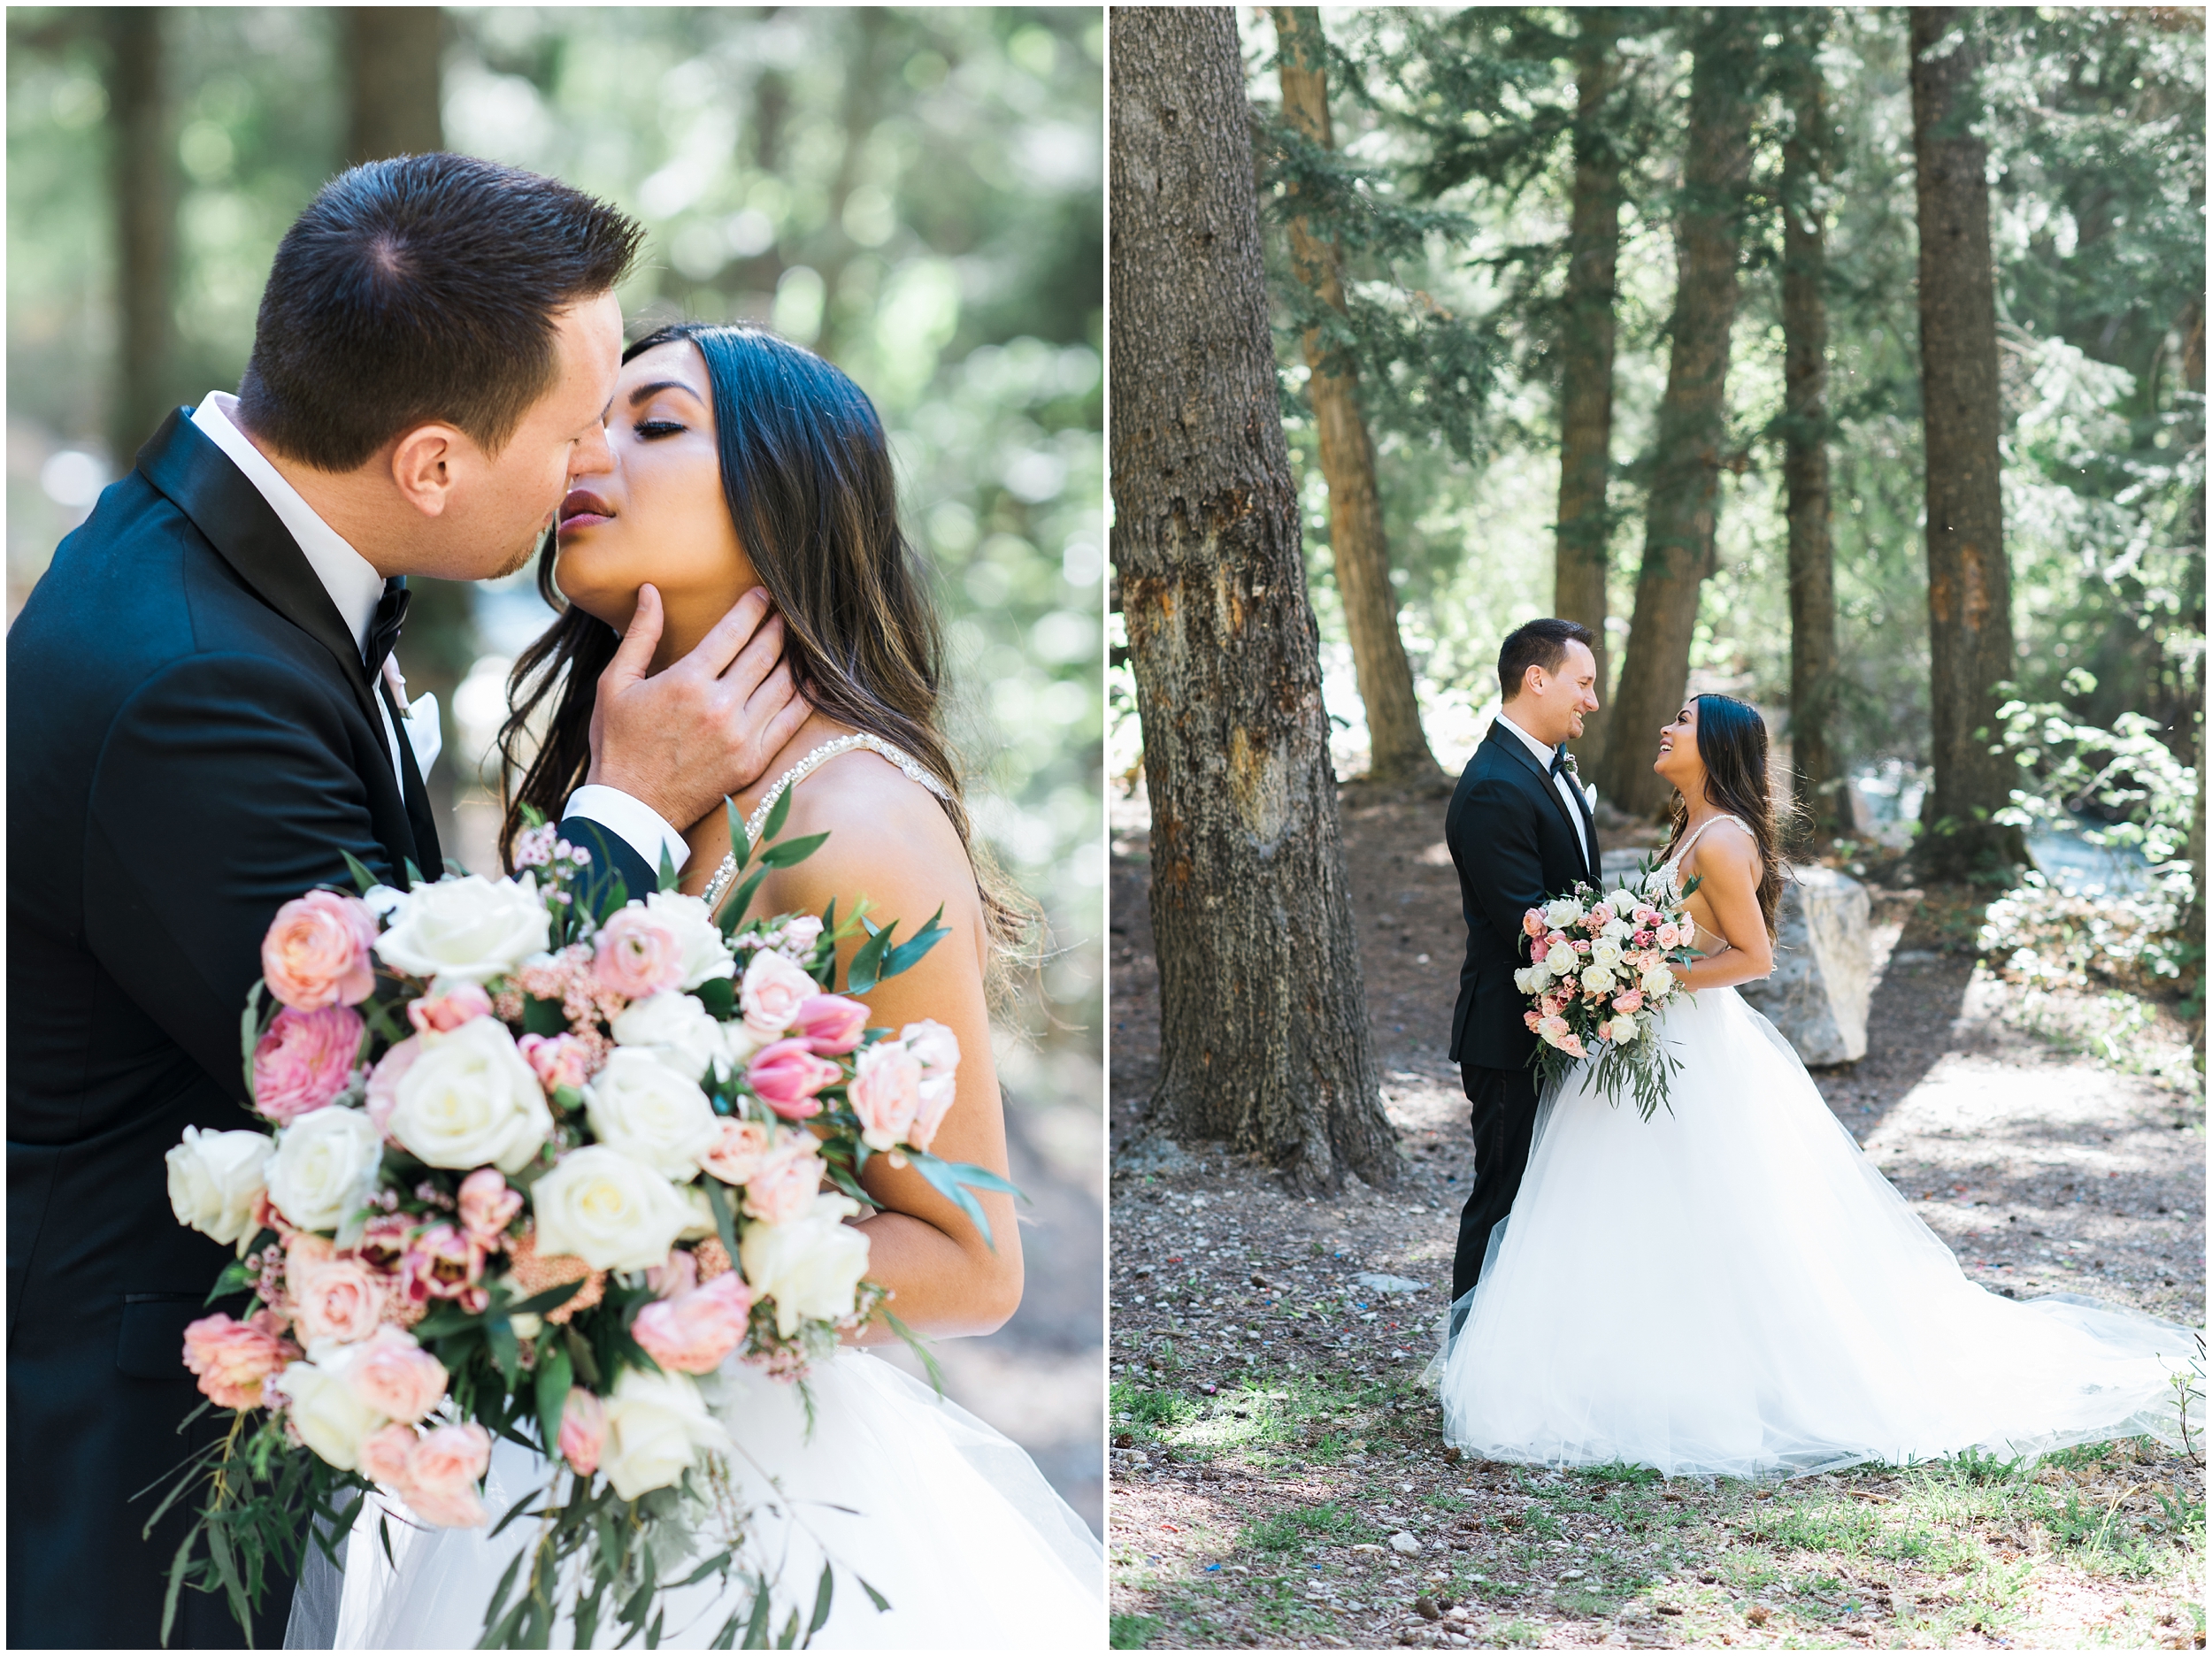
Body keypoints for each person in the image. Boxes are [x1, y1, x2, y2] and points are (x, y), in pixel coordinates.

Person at [6, 155, 810, 1650]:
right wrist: (625, 809)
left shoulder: (242, 554)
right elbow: (413, 1098)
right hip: (126, 1488)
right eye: (578, 430)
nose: (593, 468)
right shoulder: (192, 679)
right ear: (432, 464)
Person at [298, 325, 1102, 1647]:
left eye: (656, 423)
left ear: (791, 489)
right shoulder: (626, 781)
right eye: (583, 424)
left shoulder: (850, 816)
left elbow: (973, 1260)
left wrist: (627, 1262)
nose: (586, 454)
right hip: (553, 1462)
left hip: (745, 1518)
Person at [1431, 693, 2196, 1478]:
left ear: (1718, 747)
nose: (1667, 727)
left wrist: (1647, 974)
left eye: (1686, 721)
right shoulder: (1692, 827)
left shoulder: (1723, 839)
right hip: (1653, 1037)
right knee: (1628, 1207)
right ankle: (1613, 1361)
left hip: (1689, 1042)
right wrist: (1630, 968)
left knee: (1707, 1209)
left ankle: (1715, 1379)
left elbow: (1752, 958)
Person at [1443, 620, 1603, 1307]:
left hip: (1553, 1024)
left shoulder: (1544, 767)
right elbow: (1528, 926)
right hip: (1509, 1035)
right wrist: (1621, 952)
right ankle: (1468, 1362)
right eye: (1584, 683)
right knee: (1504, 1197)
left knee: (1547, 1199)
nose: (1592, 702)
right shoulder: (1493, 786)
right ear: (1537, 679)